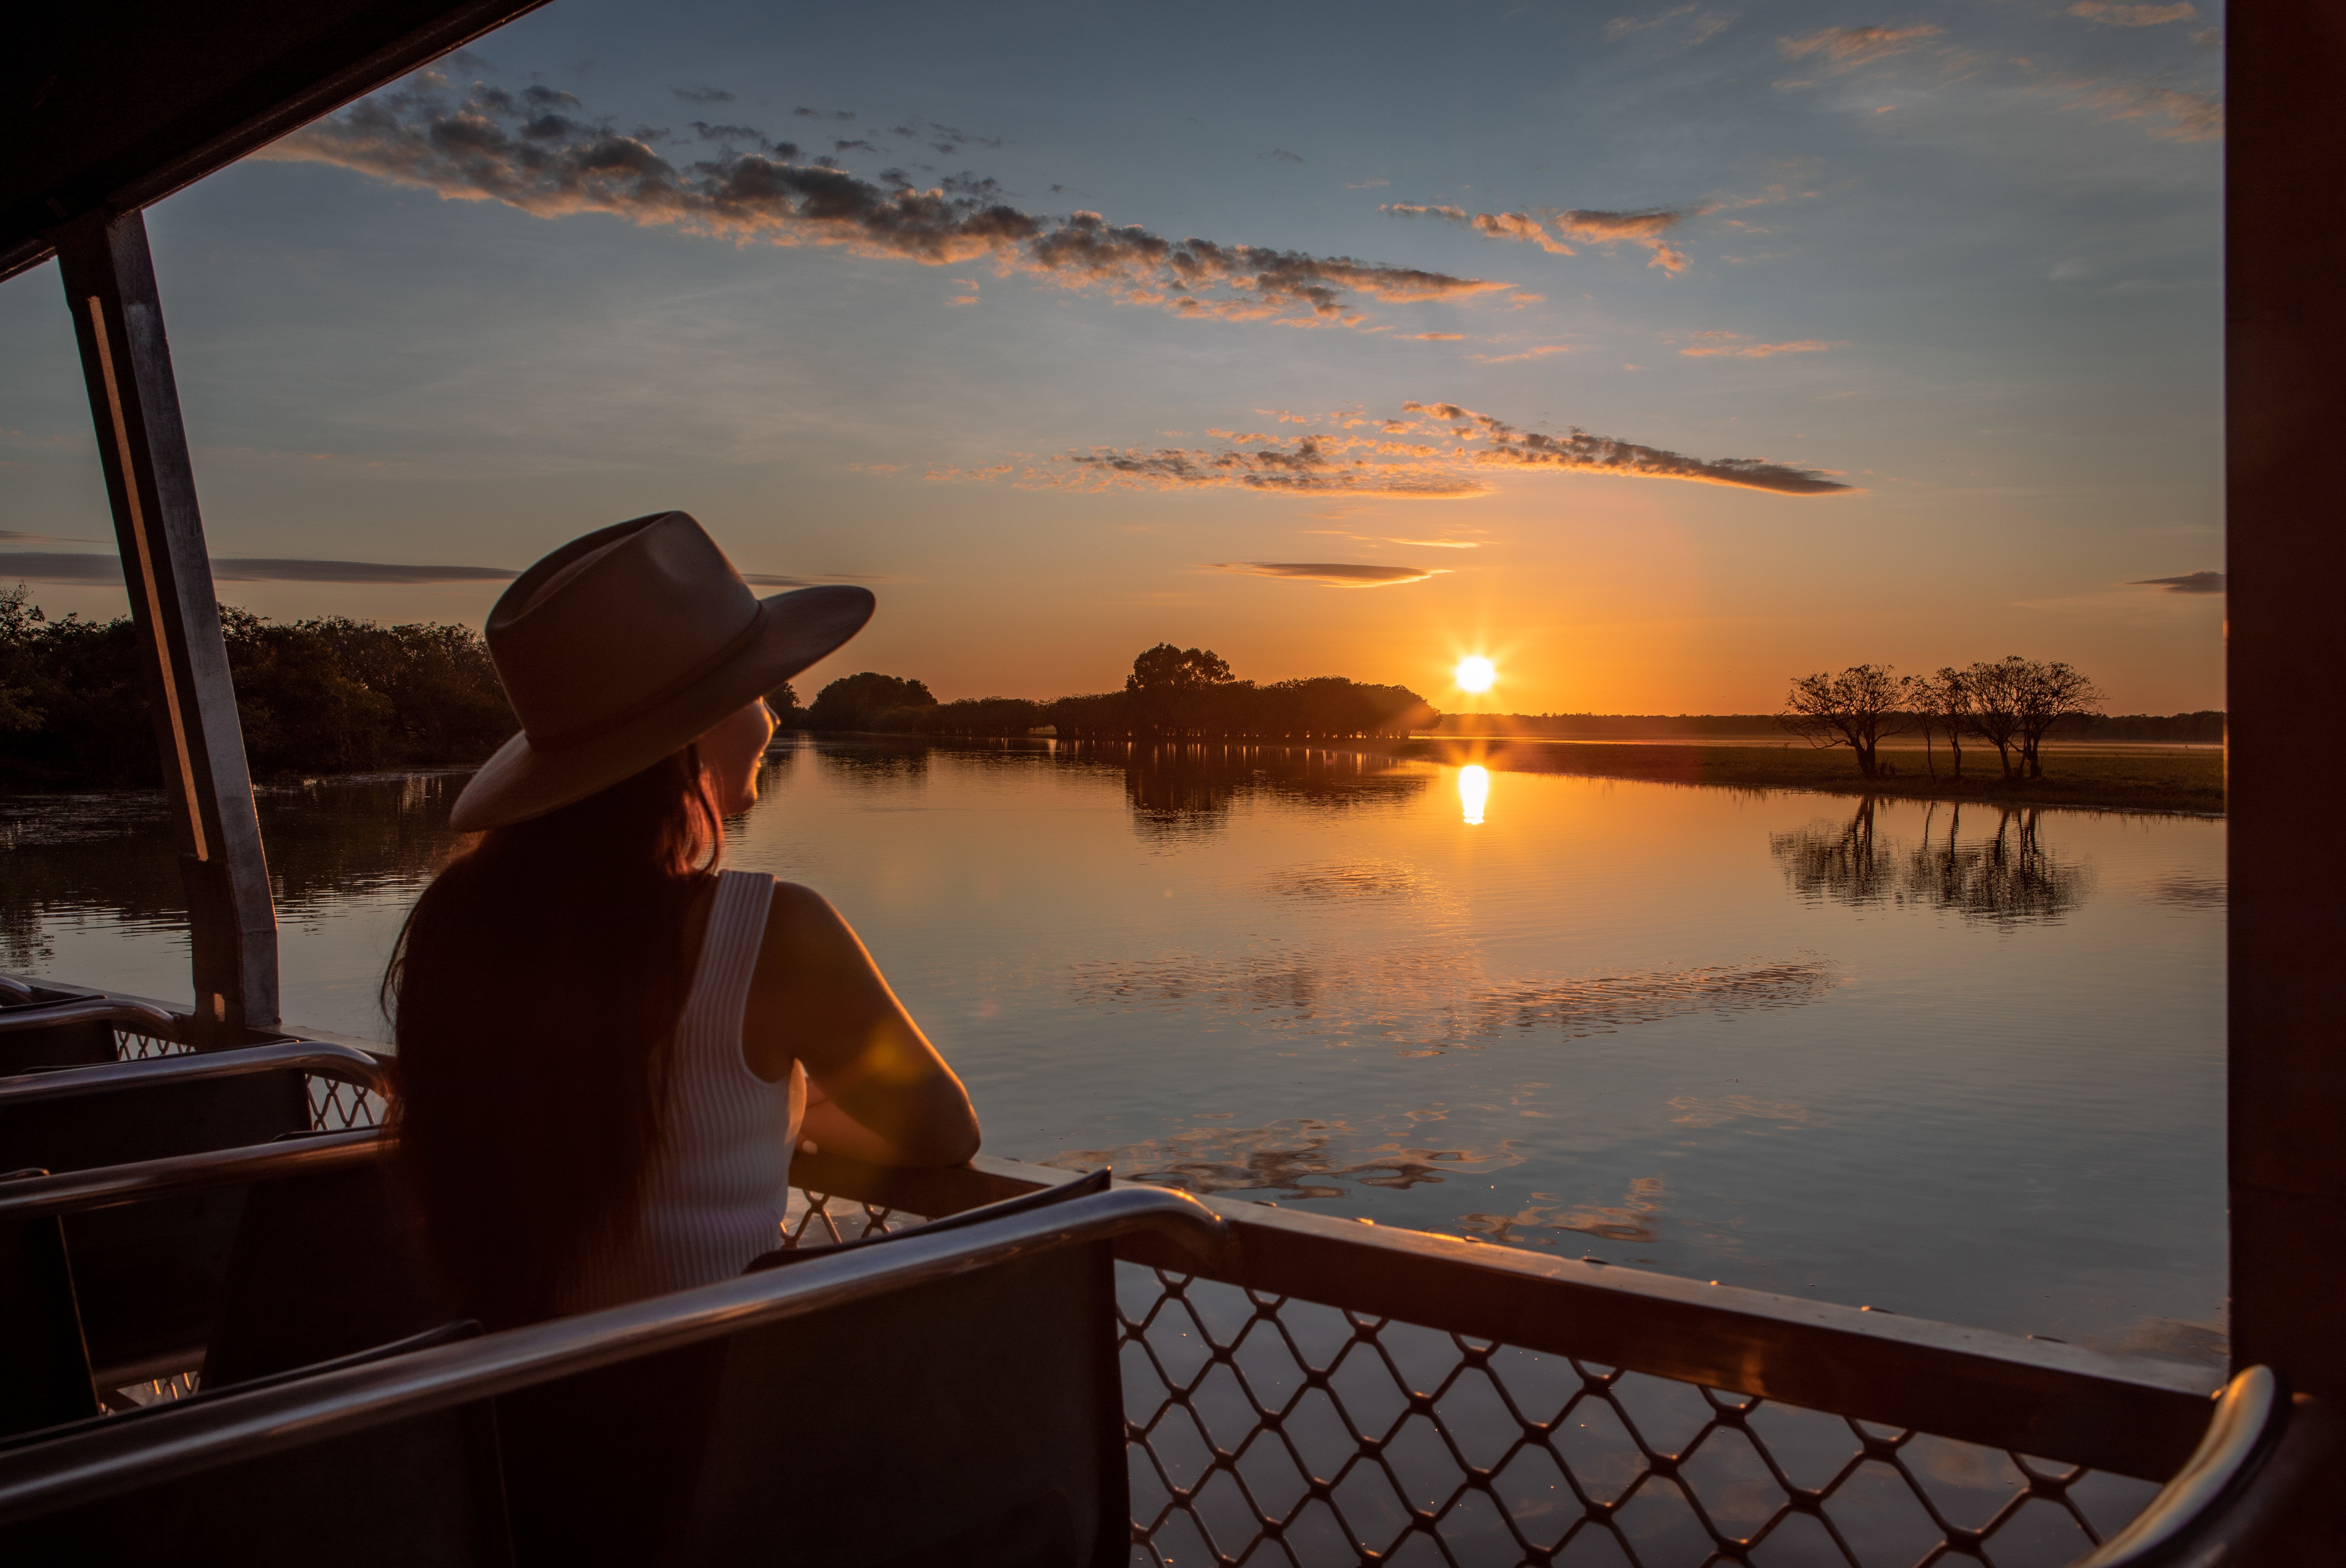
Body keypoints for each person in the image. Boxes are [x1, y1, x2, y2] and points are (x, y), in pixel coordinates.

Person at [384, 511, 980, 1328]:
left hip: (504, 1419)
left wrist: (779, 1115)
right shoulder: (772, 930)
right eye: (757, 688)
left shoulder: (455, 924)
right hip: (713, 1427)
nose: (772, 714)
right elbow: (943, 1134)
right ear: (690, 733)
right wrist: (796, 1127)